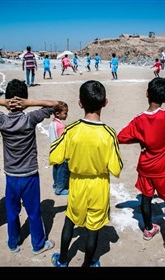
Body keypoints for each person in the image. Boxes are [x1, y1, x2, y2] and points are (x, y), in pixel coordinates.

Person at [117, 77, 165, 250]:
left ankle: (148, 229)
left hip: (146, 167)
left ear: (147, 93)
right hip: (164, 169)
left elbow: (121, 137)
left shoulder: (139, 120)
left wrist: (141, 140)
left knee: (146, 197)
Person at [50, 80, 123, 267]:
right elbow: (116, 168)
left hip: (77, 183)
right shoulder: (109, 133)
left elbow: (55, 156)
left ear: (80, 103)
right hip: (98, 185)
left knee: (70, 221)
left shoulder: (71, 129)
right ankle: (88, 264)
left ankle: (63, 260)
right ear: (105, 102)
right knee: (93, 228)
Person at [0, 79, 57, 254]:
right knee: (33, 211)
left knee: (12, 211)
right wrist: (28, 104)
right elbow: (54, 105)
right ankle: (38, 244)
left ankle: (13, 242)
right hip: (30, 174)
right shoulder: (30, 118)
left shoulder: (1, 120)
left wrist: (4, 103)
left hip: (11, 175)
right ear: (25, 100)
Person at [48, 101, 69, 196]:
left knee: (56, 168)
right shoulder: (61, 126)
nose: (66, 115)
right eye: (65, 113)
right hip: (61, 151)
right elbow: (63, 139)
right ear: (57, 113)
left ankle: (55, 184)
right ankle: (60, 189)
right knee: (63, 170)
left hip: (54, 149)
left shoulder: (52, 124)